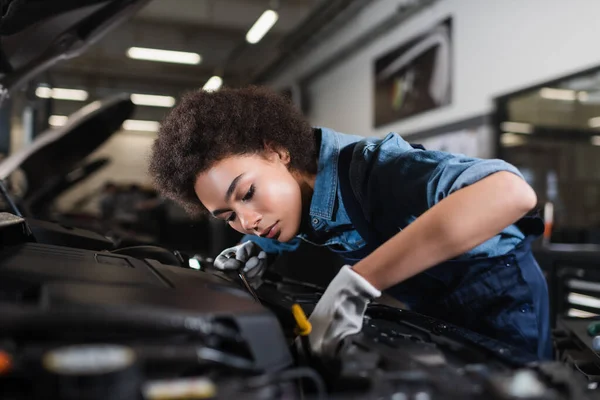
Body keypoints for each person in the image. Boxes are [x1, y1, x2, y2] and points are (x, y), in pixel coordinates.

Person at [148, 86, 551, 360]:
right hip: (433, 309)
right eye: (229, 216)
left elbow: (511, 194)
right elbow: (289, 226)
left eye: (247, 193)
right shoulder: (294, 198)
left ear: (277, 152)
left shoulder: (379, 169)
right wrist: (257, 249)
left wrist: (361, 280)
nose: (248, 220)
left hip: (501, 300)